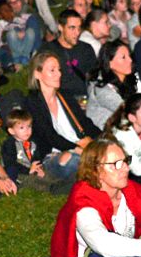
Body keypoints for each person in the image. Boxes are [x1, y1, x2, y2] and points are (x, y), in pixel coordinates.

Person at [24, 51, 92, 181]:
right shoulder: (32, 102)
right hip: (54, 154)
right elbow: (49, 136)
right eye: (52, 70)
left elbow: (86, 123)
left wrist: (99, 141)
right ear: (37, 74)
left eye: (59, 69)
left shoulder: (65, 96)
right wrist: (77, 148)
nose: (59, 74)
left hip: (81, 145)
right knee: (71, 161)